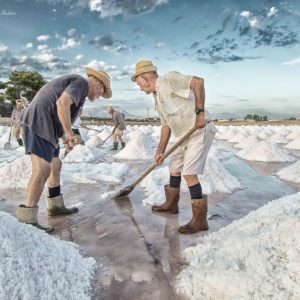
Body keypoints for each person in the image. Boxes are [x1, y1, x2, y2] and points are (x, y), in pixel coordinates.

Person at [18, 67, 112, 232]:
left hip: (50, 128)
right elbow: (61, 103)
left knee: (56, 164)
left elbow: (62, 111)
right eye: (102, 91)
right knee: (42, 169)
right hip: (39, 120)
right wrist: (69, 134)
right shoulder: (81, 83)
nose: (99, 95)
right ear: (98, 84)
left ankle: (55, 206)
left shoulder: (80, 94)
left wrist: (63, 137)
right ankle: (27, 221)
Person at [131, 60, 217, 234]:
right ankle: (171, 205)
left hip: (199, 129)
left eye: (139, 83)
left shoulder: (169, 79)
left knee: (189, 173)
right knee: (174, 167)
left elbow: (198, 82)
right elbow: (166, 126)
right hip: (183, 136)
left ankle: (200, 221)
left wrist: (200, 113)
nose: (140, 88)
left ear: (145, 77)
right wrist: (160, 150)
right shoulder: (157, 97)